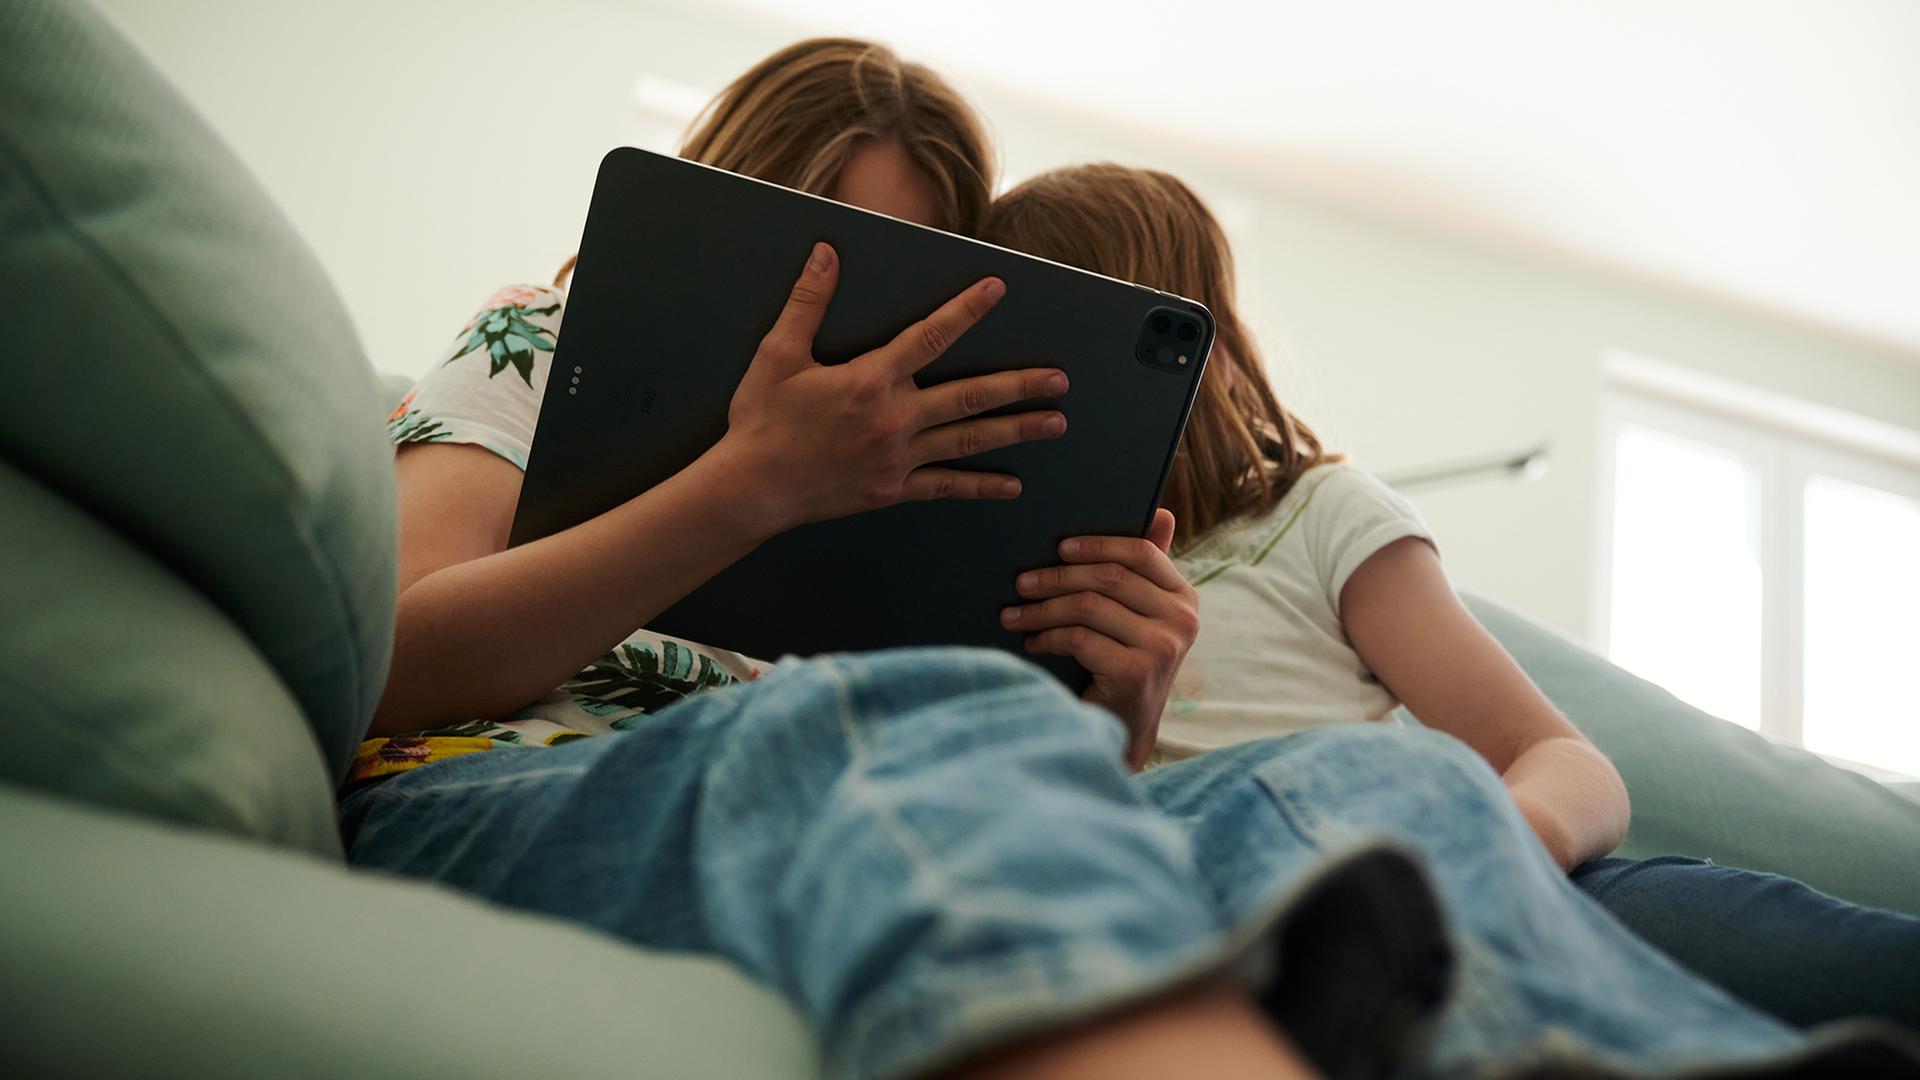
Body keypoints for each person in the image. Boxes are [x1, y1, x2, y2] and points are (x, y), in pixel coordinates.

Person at [344, 39, 1919, 1080]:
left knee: (1396, 790)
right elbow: (395, 653)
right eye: (791, 263)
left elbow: (1015, 788)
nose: (828, 364)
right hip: (506, 783)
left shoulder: (913, 468)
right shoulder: (534, 339)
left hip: (827, 783)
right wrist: (748, 488)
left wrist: (1121, 715)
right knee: (892, 725)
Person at [980, 162, 1920, 1031]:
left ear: (1207, 348)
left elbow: (1567, 762)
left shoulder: (1313, 516)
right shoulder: (1000, 584)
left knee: (1822, 960)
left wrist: (1492, 857)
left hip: (1500, 882)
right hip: (1271, 942)